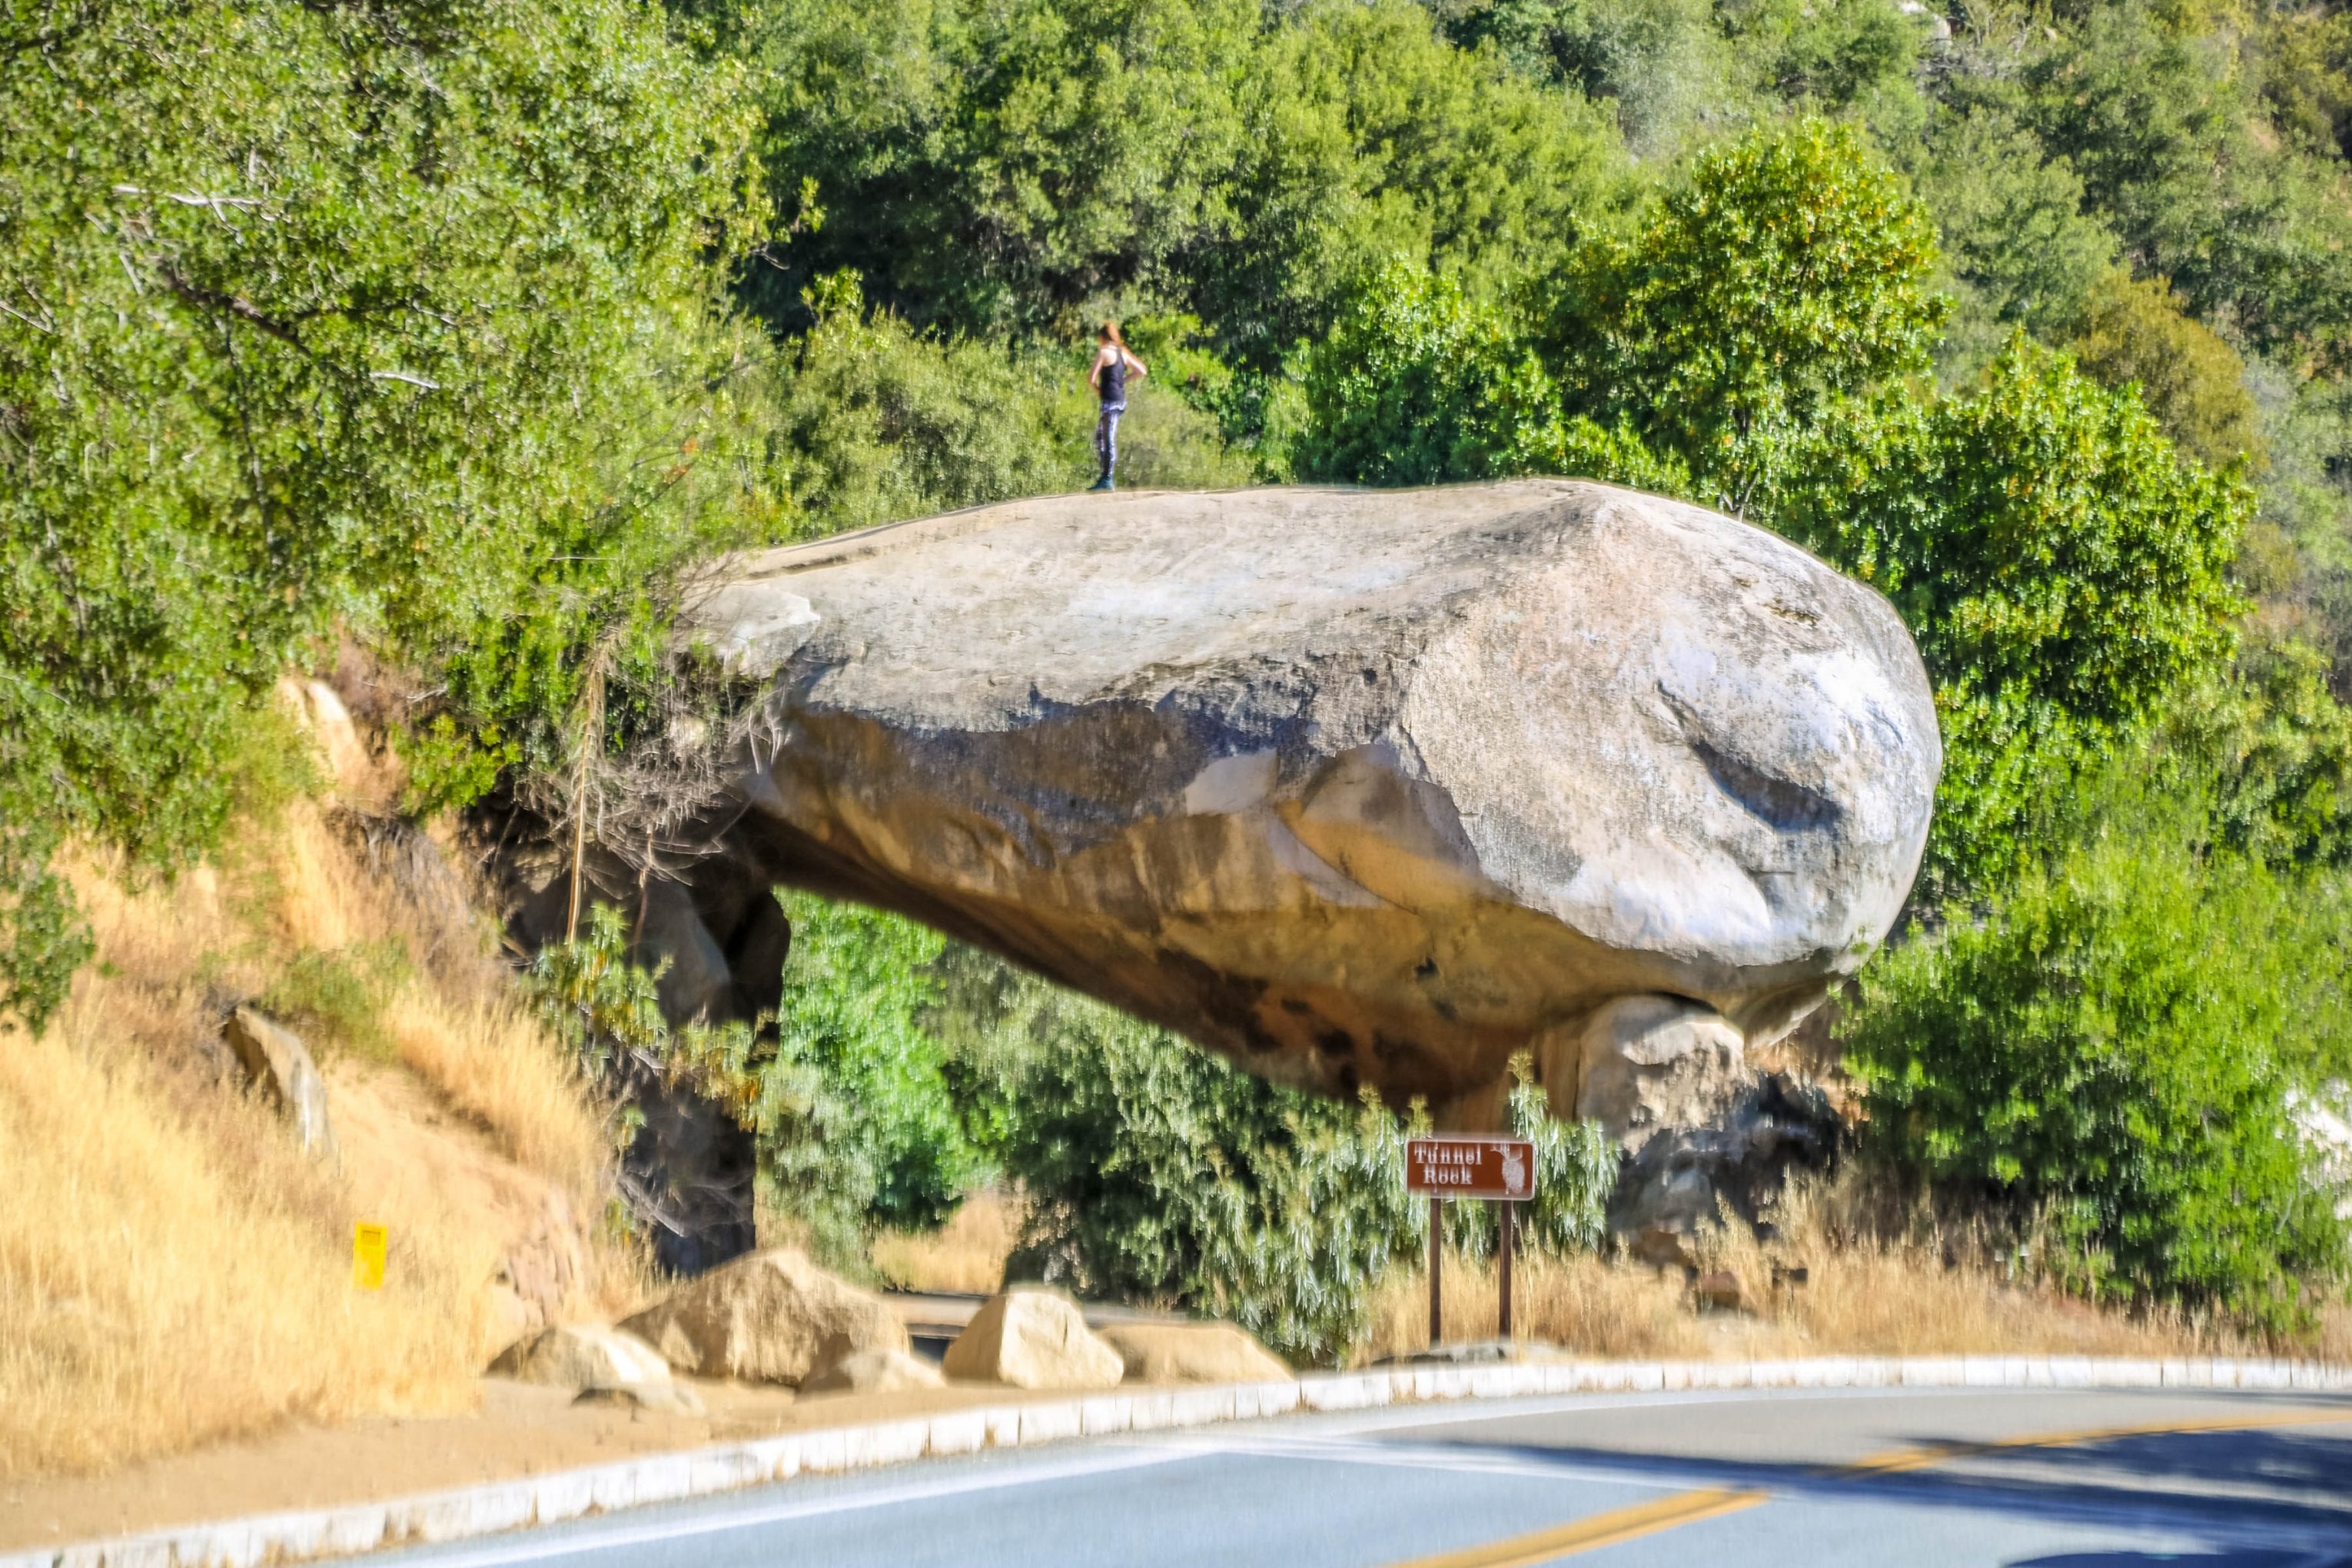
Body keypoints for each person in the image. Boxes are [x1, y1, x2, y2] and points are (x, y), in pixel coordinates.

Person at [1087, 320, 1147, 492]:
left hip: (1110, 402)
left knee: (1107, 438)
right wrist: (1122, 381)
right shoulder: (1122, 353)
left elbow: (1091, 379)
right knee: (1101, 438)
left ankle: (1107, 478)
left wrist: (1099, 390)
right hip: (1119, 400)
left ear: (1102, 337)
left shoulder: (1104, 352)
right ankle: (1105, 476)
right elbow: (1141, 371)